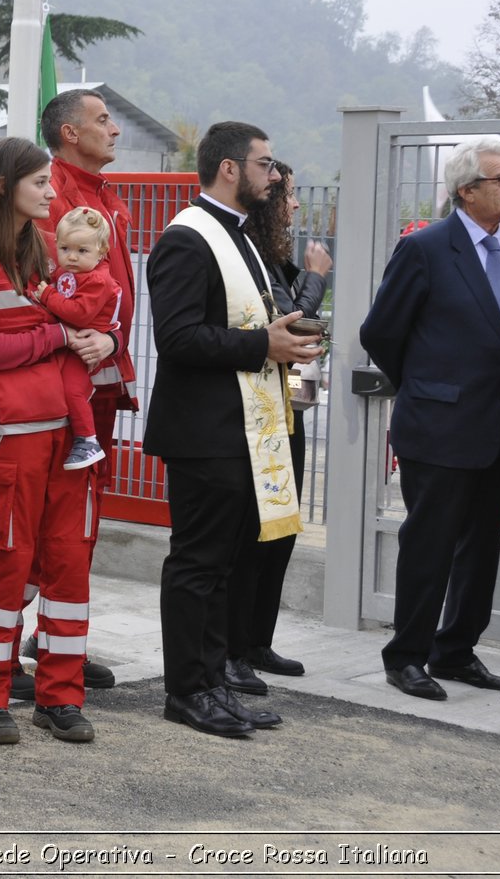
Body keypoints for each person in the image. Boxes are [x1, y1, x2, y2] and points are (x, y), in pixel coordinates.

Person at [144, 121, 320, 738]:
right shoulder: (188, 239)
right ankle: (187, 691)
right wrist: (262, 345)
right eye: (266, 165)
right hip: (205, 433)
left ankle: (214, 682)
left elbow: (254, 324)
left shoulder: (240, 235)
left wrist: (287, 344)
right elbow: (178, 337)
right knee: (198, 566)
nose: (274, 177)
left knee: (223, 568)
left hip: (246, 428)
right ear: (229, 168)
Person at [0, 136, 114, 746]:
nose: (51, 192)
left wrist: (106, 342)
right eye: (40, 183)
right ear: (3, 186)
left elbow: (100, 309)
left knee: (68, 571)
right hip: (12, 444)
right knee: (6, 574)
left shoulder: (49, 250)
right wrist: (59, 340)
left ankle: (60, 698)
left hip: (71, 442)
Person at [361, 137, 500, 702]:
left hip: (499, 424)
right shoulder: (427, 249)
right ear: (467, 190)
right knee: (430, 544)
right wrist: (428, 386)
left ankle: (455, 650)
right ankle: (406, 656)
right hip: (438, 426)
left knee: (482, 546)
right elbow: (380, 331)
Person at [9, 89, 135, 699]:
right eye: (102, 120)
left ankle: (59, 646)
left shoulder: (108, 196)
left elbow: (107, 295)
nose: (114, 130)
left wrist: (110, 340)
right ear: (67, 132)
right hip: (56, 386)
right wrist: (77, 336)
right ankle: (2, 652)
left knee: (77, 524)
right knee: (37, 525)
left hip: (99, 378)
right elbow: (33, 289)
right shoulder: (48, 195)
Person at [227, 162, 330, 693]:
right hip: (256, 413)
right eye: (285, 195)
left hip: (287, 408)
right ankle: (233, 647)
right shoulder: (256, 258)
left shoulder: (277, 256)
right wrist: (316, 279)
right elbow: (288, 320)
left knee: (282, 530)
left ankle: (258, 641)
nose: (292, 206)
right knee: (251, 533)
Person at [30, 205, 123, 470]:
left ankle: (87, 440)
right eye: (65, 249)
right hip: (70, 343)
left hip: (84, 347)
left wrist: (47, 295)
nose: (72, 257)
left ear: (101, 252)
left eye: (82, 251)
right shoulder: (69, 273)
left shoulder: (97, 280)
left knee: (72, 389)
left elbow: (79, 313)